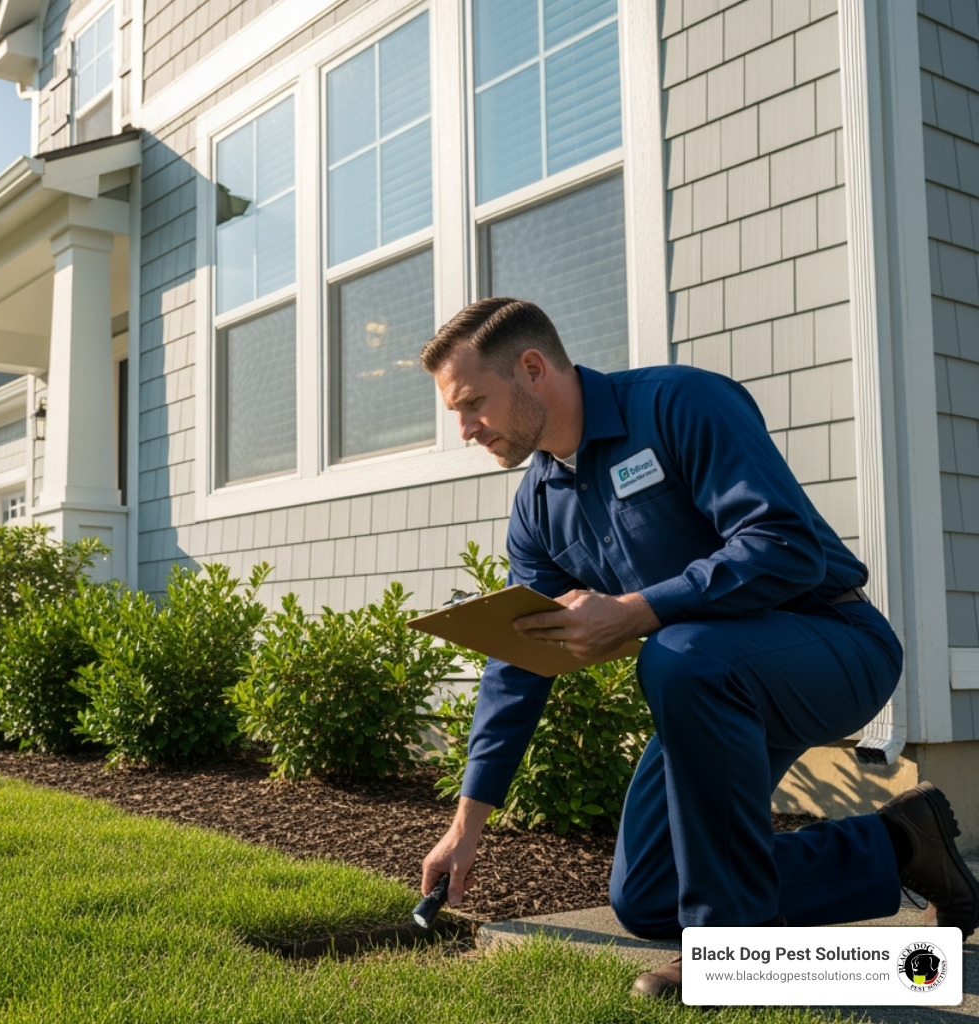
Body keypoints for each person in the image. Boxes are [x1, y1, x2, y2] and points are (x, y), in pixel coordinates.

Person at [416, 297, 979, 1000]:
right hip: (713, 683)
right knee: (649, 894)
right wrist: (465, 827)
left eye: (473, 403)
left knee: (676, 652)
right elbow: (517, 662)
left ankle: (732, 948)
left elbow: (785, 546)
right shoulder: (539, 504)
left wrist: (636, 611)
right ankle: (902, 844)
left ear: (532, 369)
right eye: (456, 413)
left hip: (835, 644)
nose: (465, 429)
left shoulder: (679, 403)